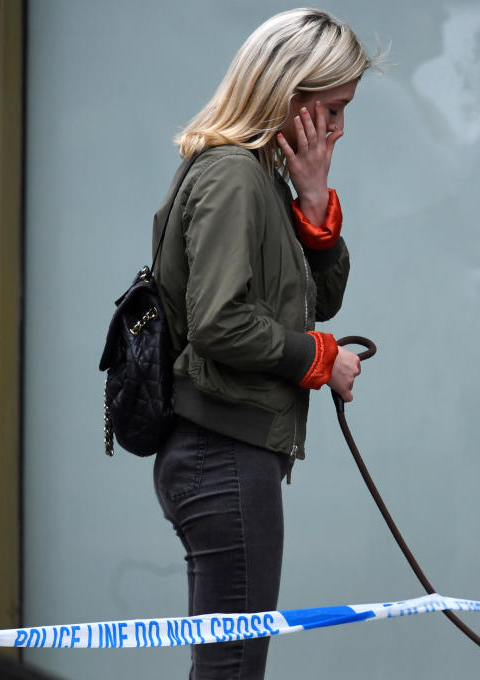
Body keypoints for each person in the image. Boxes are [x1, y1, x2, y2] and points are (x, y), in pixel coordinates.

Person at [150, 9, 377, 679]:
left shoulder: (257, 178)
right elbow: (220, 321)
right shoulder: (232, 175)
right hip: (219, 452)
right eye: (331, 108)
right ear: (289, 93)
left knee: (230, 666)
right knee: (233, 669)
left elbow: (316, 299)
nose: (337, 128)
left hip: (226, 451)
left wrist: (312, 206)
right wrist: (322, 359)